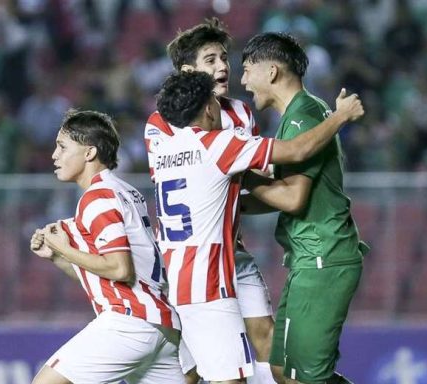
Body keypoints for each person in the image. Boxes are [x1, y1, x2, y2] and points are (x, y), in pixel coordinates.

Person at [153, 70, 363, 384]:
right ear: (209, 108)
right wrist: (341, 117)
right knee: (231, 380)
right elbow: (296, 151)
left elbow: (224, 200)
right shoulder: (217, 145)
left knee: (198, 375)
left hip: (177, 283)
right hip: (211, 286)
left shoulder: (164, 152)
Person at [144, 17, 275, 384]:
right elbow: (193, 179)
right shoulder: (161, 122)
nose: (221, 67)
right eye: (210, 60)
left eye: (223, 58)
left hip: (234, 249)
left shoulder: (242, 113)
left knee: (266, 335)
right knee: (198, 365)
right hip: (191, 259)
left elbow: (247, 180)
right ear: (189, 71)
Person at [239, 32, 370, 384]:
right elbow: (289, 193)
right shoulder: (301, 114)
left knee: (306, 378)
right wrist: (237, 206)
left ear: (271, 71)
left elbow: (292, 198)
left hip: (323, 258)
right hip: (309, 258)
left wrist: (239, 175)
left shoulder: (303, 118)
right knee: (283, 371)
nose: (243, 80)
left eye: (247, 69)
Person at [29, 110, 185, 384]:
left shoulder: (98, 197)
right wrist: (58, 256)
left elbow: (119, 269)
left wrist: (64, 247)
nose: (54, 155)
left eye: (63, 146)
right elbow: (105, 276)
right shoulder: (124, 191)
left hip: (129, 324)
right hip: (161, 327)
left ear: (89, 153)